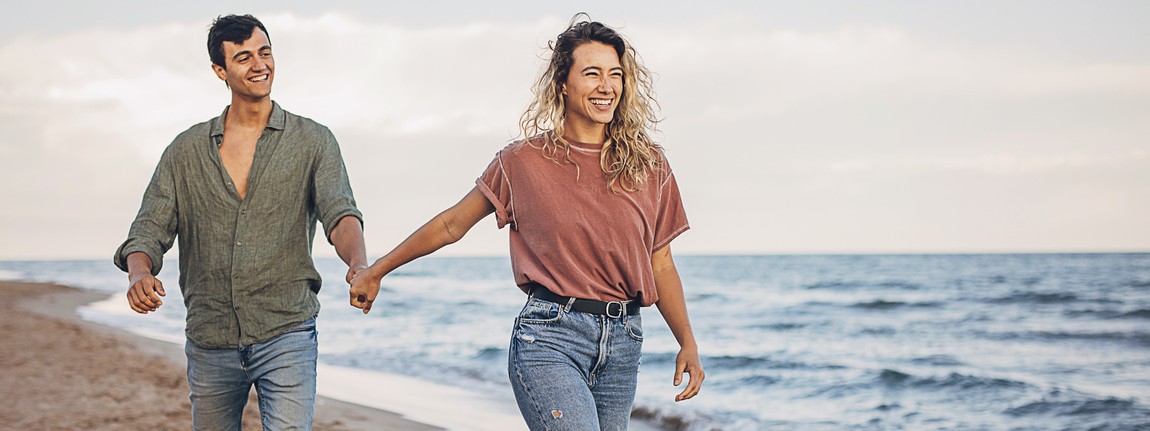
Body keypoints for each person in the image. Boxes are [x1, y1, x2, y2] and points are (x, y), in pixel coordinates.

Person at [350, 14, 704, 430]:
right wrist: (377, 271)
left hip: (624, 342)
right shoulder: (522, 161)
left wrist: (687, 342)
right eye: (592, 74)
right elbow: (451, 225)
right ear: (562, 84)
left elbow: (659, 262)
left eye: (615, 75)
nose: (606, 86)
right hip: (550, 338)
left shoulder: (648, 164)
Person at [113, 14, 367, 430]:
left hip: (287, 331)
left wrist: (357, 262)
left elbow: (339, 213)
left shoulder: (313, 141)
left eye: (265, 52)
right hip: (210, 338)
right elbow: (148, 230)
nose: (259, 65)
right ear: (220, 71)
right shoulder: (185, 152)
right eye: (244, 57)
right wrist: (138, 272)